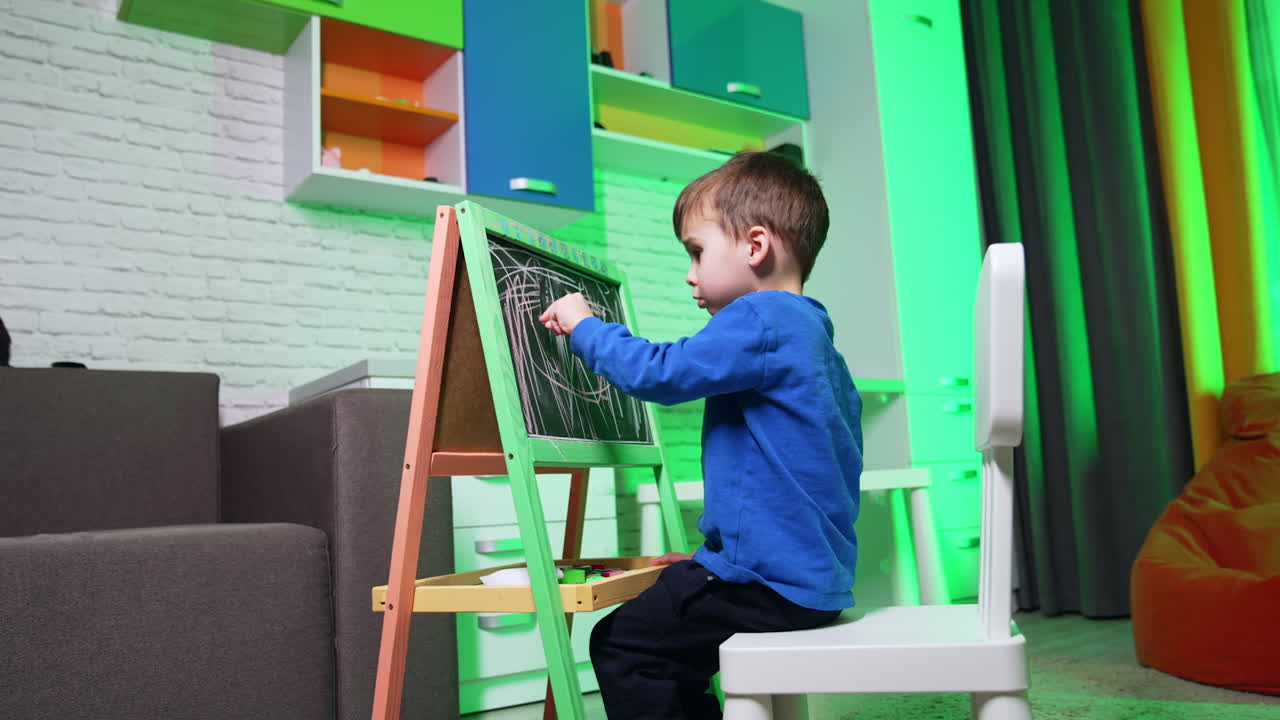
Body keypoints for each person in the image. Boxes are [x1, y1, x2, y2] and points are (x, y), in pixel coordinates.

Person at [538, 151, 863, 719]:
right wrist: (707, 557)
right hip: (810, 586)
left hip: (763, 588)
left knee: (623, 644)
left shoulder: (762, 316)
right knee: (670, 633)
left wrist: (583, 325)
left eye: (697, 252)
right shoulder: (814, 337)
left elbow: (659, 372)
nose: (690, 274)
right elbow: (797, 485)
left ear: (755, 247)